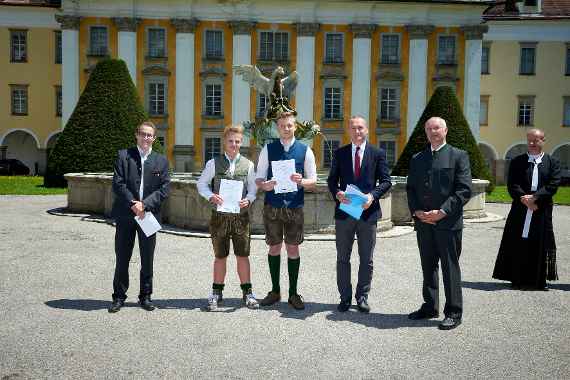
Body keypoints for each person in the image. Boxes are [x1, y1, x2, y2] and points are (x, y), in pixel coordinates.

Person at [406, 116, 472, 330]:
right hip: (424, 223)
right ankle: (430, 306)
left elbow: (464, 190)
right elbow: (411, 189)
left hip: (448, 224)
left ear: (445, 131)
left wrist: (442, 212)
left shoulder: (458, 156)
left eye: (437, 128)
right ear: (425, 132)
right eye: (429, 128)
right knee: (428, 266)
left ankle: (454, 311)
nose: (433, 131)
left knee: (450, 267)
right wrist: (416, 211)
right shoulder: (417, 158)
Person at [327, 115, 392, 313]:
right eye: (354, 128)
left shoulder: (377, 153)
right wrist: (337, 193)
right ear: (349, 130)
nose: (357, 131)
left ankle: (362, 296)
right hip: (345, 213)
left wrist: (373, 196)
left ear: (367, 130)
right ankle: (345, 297)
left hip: (367, 213)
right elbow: (331, 181)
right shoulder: (340, 153)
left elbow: (386, 181)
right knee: (342, 258)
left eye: (361, 128)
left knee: (367, 259)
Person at [255, 112, 317, 310]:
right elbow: (258, 177)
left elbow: (313, 181)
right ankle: (275, 291)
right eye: (282, 125)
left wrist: (302, 181)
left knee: (292, 248)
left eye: (289, 125)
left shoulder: (305, 150)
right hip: (272, 206)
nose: (286, 128)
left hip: (294, 207)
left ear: (295, 127)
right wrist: (264, 185)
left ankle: (293, 293)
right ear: (277, 127)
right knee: (274, 247)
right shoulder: (268, 148)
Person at [108, 121, 170, 313]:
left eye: (149, 135)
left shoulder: (161, 160)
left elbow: (165, 188)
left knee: (147, 258)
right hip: (127, 214)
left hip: (149, 216)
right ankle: (118, 296)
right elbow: (118, 184)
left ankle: (146, 296)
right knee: (122, 257)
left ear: (154, 138)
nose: (146, 138)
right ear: (136, 135)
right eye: (142, 134)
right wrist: (134, 204)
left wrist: (145, 204)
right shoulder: (124, 156)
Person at [197, 124, 260, 311]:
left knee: (243, 256)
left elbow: (253, 189)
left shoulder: (248, 165)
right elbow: (201, 184)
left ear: (242, 142)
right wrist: (211, 196)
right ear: (224, 141)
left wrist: (248, 200)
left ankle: (247, 293)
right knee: (220, 256)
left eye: (238, 141)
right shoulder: (213, 163)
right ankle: (216, 292)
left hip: (241, 218)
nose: (234, 144)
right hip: (219, 217)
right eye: (231, 141)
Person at [492, 128, 561, 290]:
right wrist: (524, 198)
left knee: (539, 242)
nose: (532, 144)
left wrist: (536, 198)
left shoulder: (553, 162)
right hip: (520, 208)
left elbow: (553, 184)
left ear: (543, 141)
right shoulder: (517, 161)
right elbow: (512, 184)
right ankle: (517, 279)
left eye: (536, 140)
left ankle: (537, 281)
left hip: (541, 208)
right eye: (529, 140)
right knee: (518, 242)